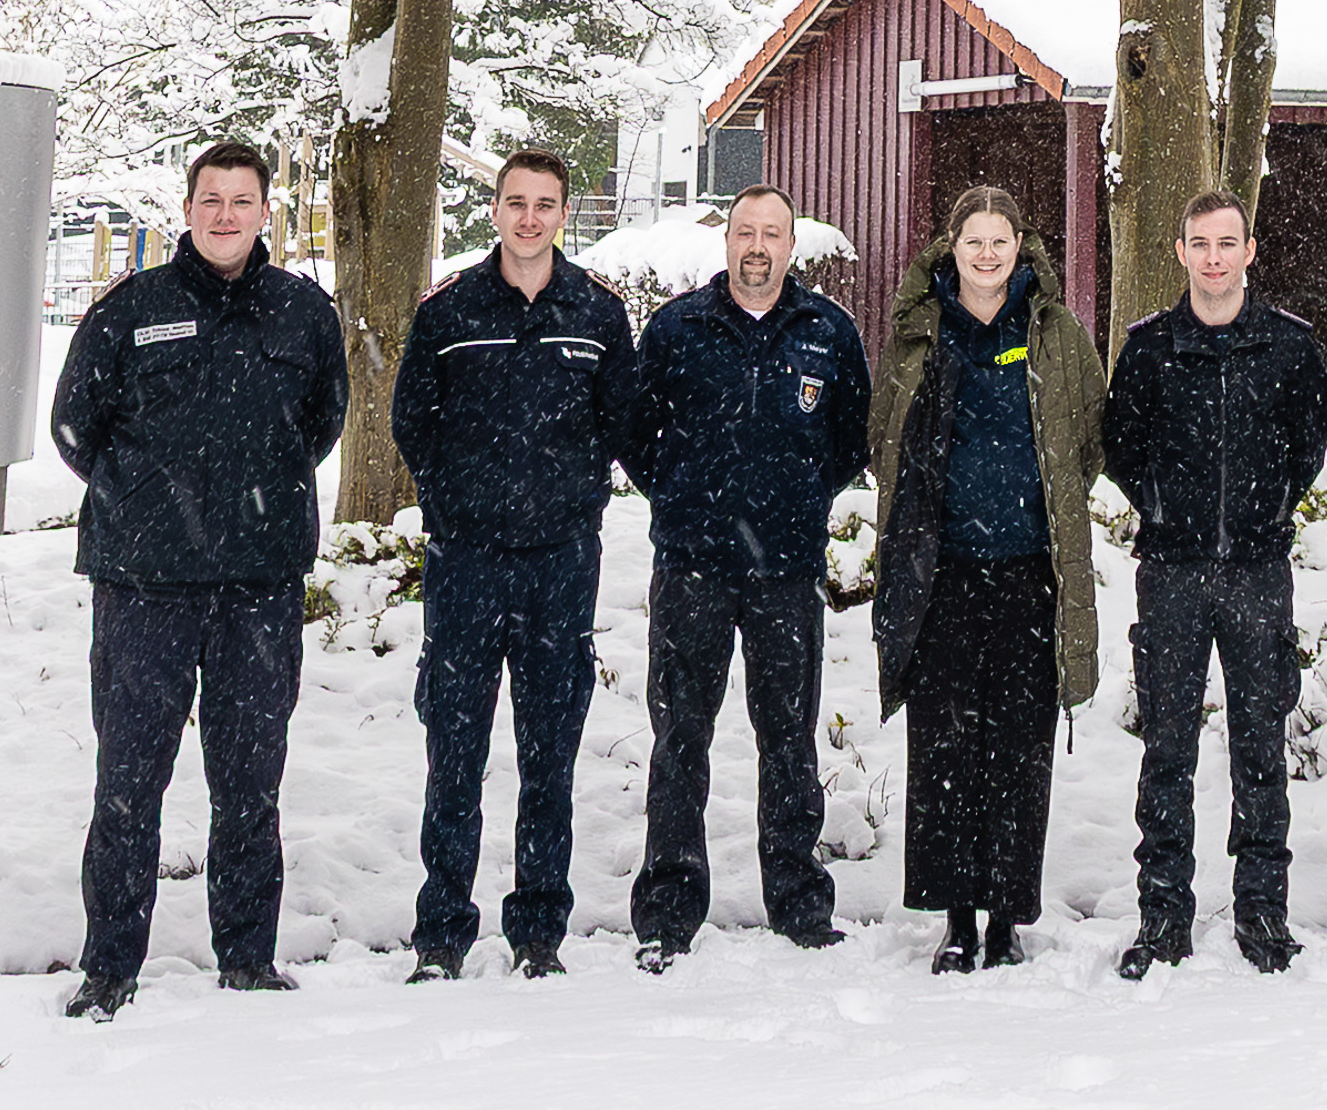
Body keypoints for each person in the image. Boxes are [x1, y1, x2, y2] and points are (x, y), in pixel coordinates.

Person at [49, 139, 349, 1021]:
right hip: (145, 586)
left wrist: (256, 499)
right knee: (129, 781)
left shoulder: (302, 313)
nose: (225, 215)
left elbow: (321, 422)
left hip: (259, 585)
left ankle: (247, 959)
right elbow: (76, 426)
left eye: (241, 201)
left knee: (250, 781)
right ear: (187, 210)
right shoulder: (131, 310)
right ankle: (110, 967)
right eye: (211, 200)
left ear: (265, 213)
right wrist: (146, 502)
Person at [390, 147, 638, 980]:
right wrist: (454, 505)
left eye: (545, 204)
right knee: (455, 750)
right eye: (516, 202)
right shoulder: (450, 310)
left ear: (564, 214)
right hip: (466, 562)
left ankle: (538, 931)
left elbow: (622, 423)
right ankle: (441, 932)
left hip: (561, 563)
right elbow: (413, 422)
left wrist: (573, 499)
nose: (529, 218)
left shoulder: (596, 312)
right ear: (494, 209)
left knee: (549, 752)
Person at [625, 184, 873, 970]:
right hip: (692, 567)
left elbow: (849, 440)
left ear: (791, 246)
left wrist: (796, 501)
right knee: (680, 739)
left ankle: (799, 903)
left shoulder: (827, 332)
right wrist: (682, 496)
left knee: (790, 738)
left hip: (786, 572)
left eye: (772, 233)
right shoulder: (677, 329)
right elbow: (635, 431)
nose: (757, 246)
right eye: (745, 231)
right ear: (726, 240)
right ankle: (668, 910)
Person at [869, 184, 1106, 974]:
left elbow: (1086, 440)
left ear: (1019, 247)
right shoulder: (919, 332)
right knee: (945, 749)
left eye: (1000, 240)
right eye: (973, 240)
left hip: (1028, 573)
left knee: (1018, 749)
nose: (987, 253)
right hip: (941, 574)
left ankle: (1005, 918)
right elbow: (884, 438)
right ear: (952, 247)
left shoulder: (1055, 331)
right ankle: (957, 921)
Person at [1104, 189, 1327, 980]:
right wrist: (1163, 507)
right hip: (1171, 573)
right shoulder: (1149, 348)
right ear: (1180, 252)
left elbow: (1309, 443)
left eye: (1226, 243)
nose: (1213, 257)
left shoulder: (1290, 347)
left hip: (1258, 572)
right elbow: (1121, 445)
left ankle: (1263, 911)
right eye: (1199, 244)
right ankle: (1163, 913)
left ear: (1250, 251)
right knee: (1167, 749)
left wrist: (1269, 507)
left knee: (1260, 745)